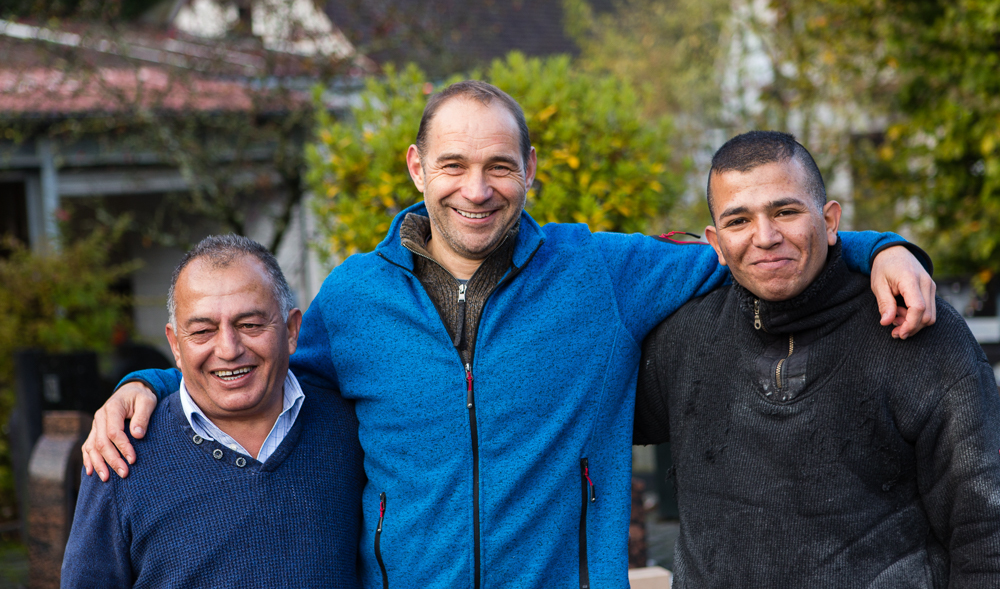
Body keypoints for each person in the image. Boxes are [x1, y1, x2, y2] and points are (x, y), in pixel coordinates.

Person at [84, 83, 937, 589]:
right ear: (418, 169)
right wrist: (153, 385)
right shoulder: (352, 298)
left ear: (530, 170)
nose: (477, 188)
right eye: (453, 165)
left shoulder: (600, 271)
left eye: (500, 165)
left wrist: (877, 247)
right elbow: (256, 370)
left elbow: (751, 246)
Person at [635, 131, 1000, 587]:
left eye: (785, 211)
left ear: (830, 221)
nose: (765, 237)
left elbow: (985, 529)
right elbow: (578, 425)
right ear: (715, 242)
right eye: (738, 221)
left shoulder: (916, 327)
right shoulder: (684, 338)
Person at [62, 235, 364, 588]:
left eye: (250, 325)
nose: (228, 348)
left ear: (292, 330)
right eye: (203, 331)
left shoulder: (350, 428)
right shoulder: (120, 456)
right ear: (175, 345)